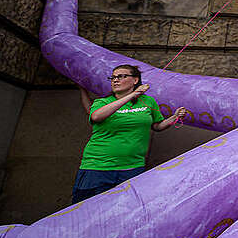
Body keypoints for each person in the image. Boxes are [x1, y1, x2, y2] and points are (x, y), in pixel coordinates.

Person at [71, 65, 187, 203]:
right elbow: (96, 116)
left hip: (132, 167)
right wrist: (133, 94)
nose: (115, 80)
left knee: (126, 212)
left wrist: (173, 118)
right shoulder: (102, 102)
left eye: (121, 76)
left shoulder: (148, 102)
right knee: (89, 212)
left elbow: (157, 126)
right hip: (97, 168)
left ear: (135, 80)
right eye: (113, 77)